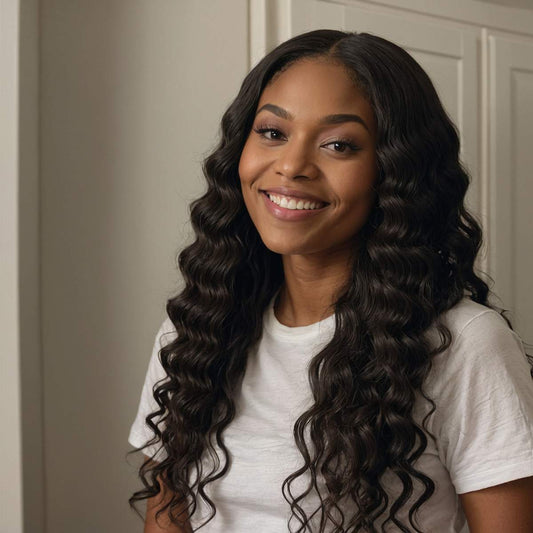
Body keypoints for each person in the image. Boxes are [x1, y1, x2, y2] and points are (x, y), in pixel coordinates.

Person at [128, 30, 533, 533]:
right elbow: (167, 513)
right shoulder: (194, 328)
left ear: (393, 172)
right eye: (273, 132)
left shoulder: (464, 344)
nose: (292, 166)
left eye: (338, 144)